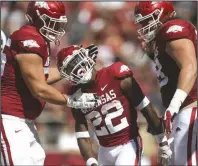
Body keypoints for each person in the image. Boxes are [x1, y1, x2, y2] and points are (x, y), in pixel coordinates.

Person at [1, 2, 100, 165]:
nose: (56, 27)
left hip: (24, 120)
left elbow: (40, 77)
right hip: (10, 118)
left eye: (59, 22)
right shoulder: (29, 38)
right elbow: (39, 89)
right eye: (52, 22)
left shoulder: (37, 38)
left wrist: (70, 67)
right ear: (37, 18)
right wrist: (72, 101)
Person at [56, 45, 172, 166]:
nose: (76, 68)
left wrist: (162, 141)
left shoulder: (114, 75)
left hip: (127, 144)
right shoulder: (76, 95)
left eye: (76, 62)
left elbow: (146, 108)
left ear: (87, 57)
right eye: (69, 68)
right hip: (103, 150)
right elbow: (82, 135)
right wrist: (91, 162)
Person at [134, 1, 197, 165]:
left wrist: (174, 106)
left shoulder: (172, 28)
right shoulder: (162, 38)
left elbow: (189, 66)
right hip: (183, 110)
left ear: (160, 14)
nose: (143, 26)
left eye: (147, 20)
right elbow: (171, 68)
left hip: (190, 107)